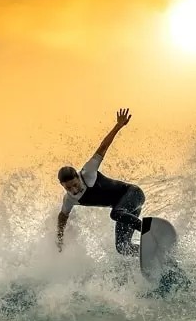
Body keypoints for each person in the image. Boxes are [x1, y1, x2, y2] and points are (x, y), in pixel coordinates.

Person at [56, 108, 145, 256]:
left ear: (78, 177)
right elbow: (62, 216)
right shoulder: (69, 199)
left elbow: (103, 147)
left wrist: (118, 125)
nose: (73, 189)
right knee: (122, 248)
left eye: (75, 184)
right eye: (68, 188)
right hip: (126, 211)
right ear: (62, 186)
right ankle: (147, 252)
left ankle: (149, 231)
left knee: (115, 214)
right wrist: (59, 238)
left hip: (133, 194)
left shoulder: (88, 172)